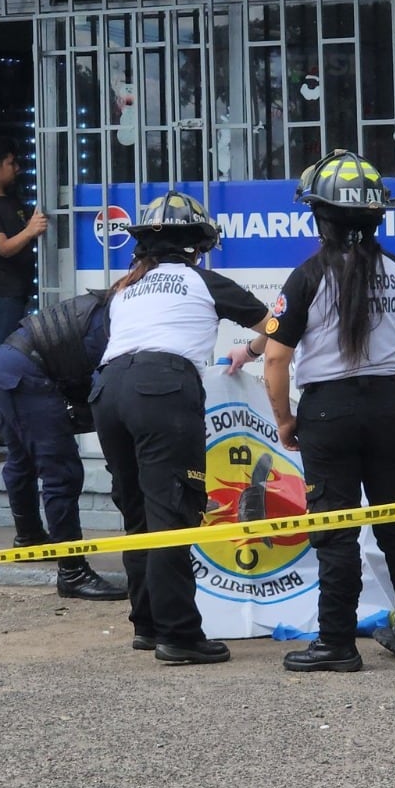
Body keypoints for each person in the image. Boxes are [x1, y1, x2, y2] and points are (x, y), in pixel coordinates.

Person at [250, 149, 395, 672]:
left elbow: (276, 359)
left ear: (320, 216)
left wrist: (285, 419)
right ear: (379, 214)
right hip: (390, 407)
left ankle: (336, 642)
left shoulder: (305, 277)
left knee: (335, 528)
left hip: (329, 412)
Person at [90, 192, 271, 665]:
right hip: (163, 391)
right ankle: (180, 635)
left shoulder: (126, 289)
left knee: (137, 515)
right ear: (195, 246)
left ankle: (147, 625)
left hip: (108, 391)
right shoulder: (201, 281)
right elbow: (279, 324)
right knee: (172, 512)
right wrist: (250, 352)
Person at [0, 291, 126, 600]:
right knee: (62, 473)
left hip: (5, 366)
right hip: (26, 374)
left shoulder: (109, 307)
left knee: (22, 458)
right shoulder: (118, 324)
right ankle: (72, 573)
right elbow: (109, 391)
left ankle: (30, 538)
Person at [0, 135, 44, 445]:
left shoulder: (11, 199)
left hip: (16, 290)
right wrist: (30, 231)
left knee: (11, 355)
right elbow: (3, 248)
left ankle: (3, 420)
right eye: (11, 163)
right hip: (0, 292)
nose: (17, 168)